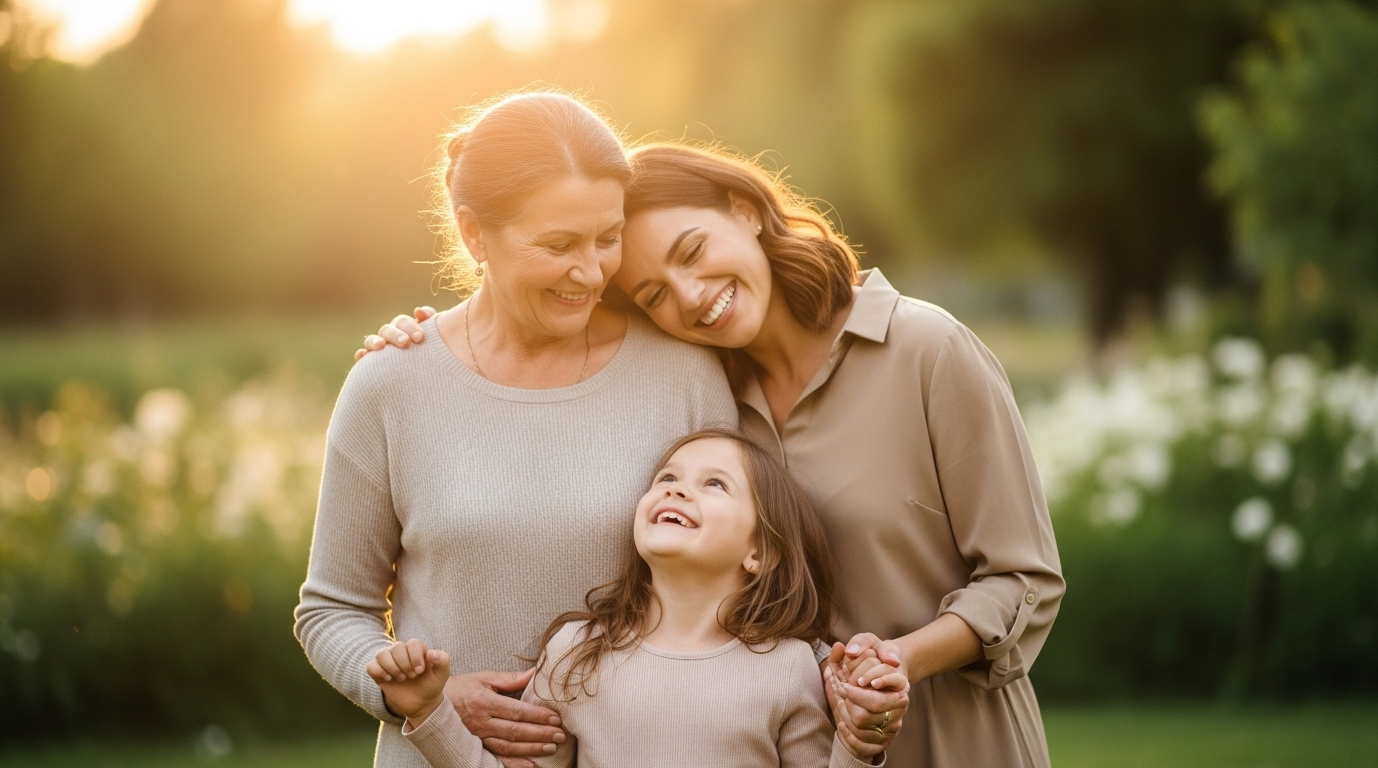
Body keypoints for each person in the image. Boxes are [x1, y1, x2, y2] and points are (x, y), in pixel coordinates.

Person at [363, 140, 1066, 768]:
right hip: (788, 743)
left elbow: (1023, 578)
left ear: (744, 210)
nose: (693, 297)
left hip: (951, 735)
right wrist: (428, 344)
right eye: (654, 294)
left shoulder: (925, 350)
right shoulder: (704, 392)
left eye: (693, 251)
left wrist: (895, 663)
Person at [294, 93, 738, 768]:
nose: (591, 273)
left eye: (607, 239)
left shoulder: (684, 377)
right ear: (475, 234)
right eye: (559, 245)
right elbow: (330, 609)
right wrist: (418, 697)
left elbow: (736, 585)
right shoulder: (391, 384)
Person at [365, 429, 908, 767]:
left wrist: (860, 748)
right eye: (667, 477)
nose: (676, 488)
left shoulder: (789, 669)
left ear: (760, 553)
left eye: (714, 484)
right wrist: (429, 711)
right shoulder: (577, 653)